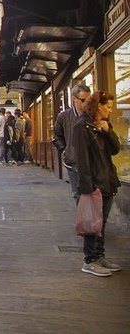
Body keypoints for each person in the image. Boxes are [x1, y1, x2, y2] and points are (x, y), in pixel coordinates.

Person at [70, 91, 121, 277]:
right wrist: (87, 187)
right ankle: (89, 260)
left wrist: (108, 132)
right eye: (108, 106)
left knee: (102, 223)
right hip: (95, 183)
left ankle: (99, 256)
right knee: (93, 222)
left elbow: (116, 149)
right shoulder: (81, 127)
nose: (110, 110)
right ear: (98, 106)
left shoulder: (103, 125)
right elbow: (82, 160)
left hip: (107, 179)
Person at [53, 84, 91, 199]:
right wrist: (65, 150)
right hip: (73, 162)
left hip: (90, 161)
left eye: (88, 100)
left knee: (92, 193)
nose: (86, 103)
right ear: (75, 99)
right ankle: (82, 216)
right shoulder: (63, 116)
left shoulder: (91, 115)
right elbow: (56, 136)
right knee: (77, 194)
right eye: (83, 100)